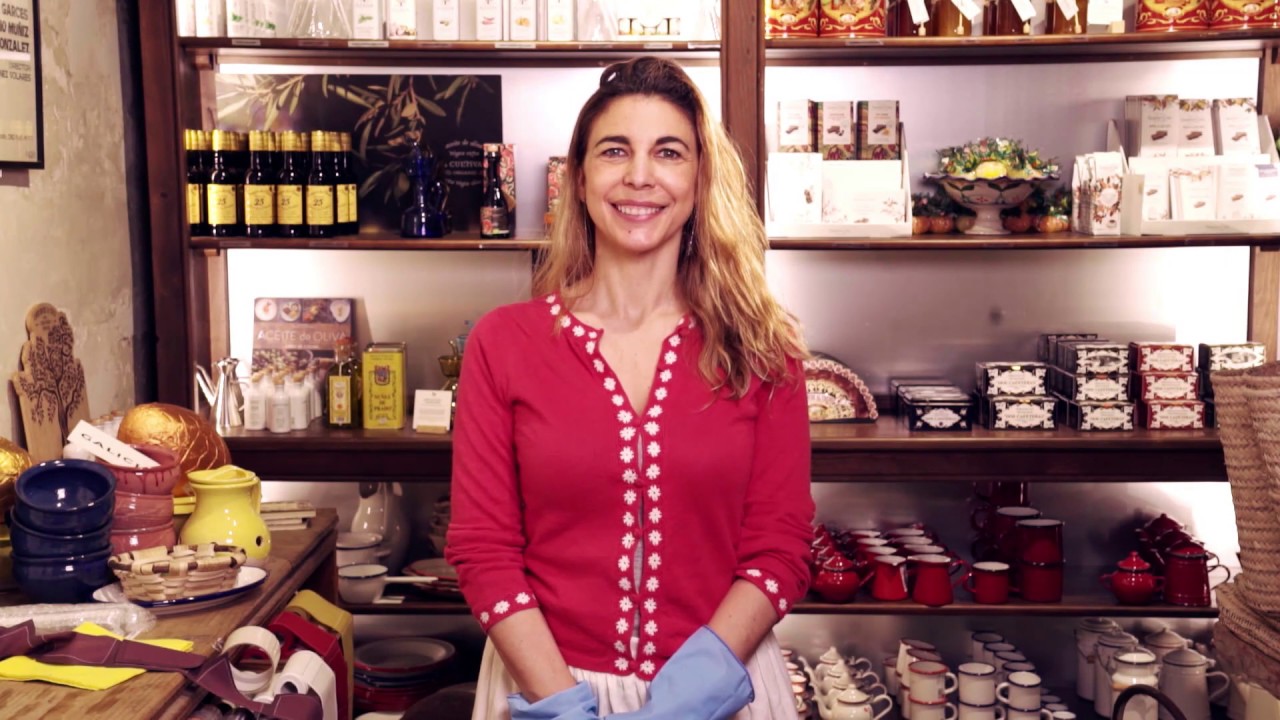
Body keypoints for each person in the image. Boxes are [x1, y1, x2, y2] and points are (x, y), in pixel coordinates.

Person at [446, 56, 814, 720]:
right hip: (544, 687)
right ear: (579, 180)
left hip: (721, 688)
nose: (639, 175)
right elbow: (483, 548)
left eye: (668, 152)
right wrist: (561, 703)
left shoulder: (764, 349)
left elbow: (779, 547)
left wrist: (685, 697)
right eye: (616, 151)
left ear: (700, 180)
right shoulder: (503, 343)